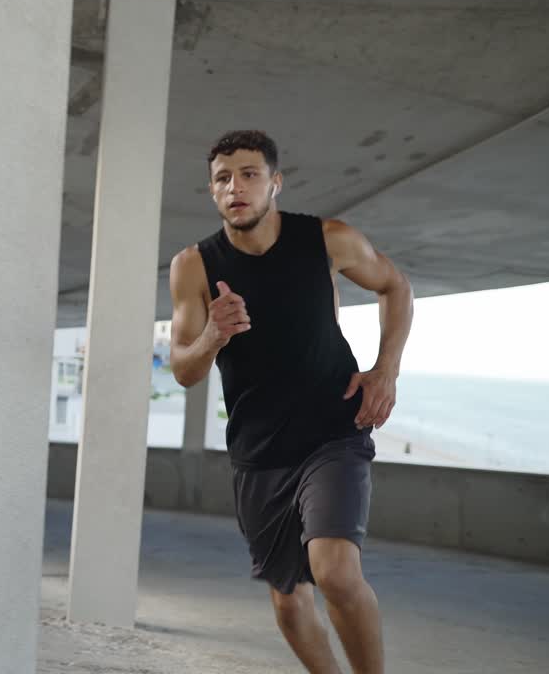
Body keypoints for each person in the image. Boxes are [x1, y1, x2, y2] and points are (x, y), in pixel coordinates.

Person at [168, 130, 414, 674]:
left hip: (334, 429)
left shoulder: (327, 239)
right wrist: (212, 335)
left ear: (275, 183)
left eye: (250, 174)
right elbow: (184, 370)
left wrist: (386, 371)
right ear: (212, 192)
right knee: (287, 598)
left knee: (335, 571)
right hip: (259, 450)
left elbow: (395, 286)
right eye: (223, 178)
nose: (237, 187)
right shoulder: (194, 266)